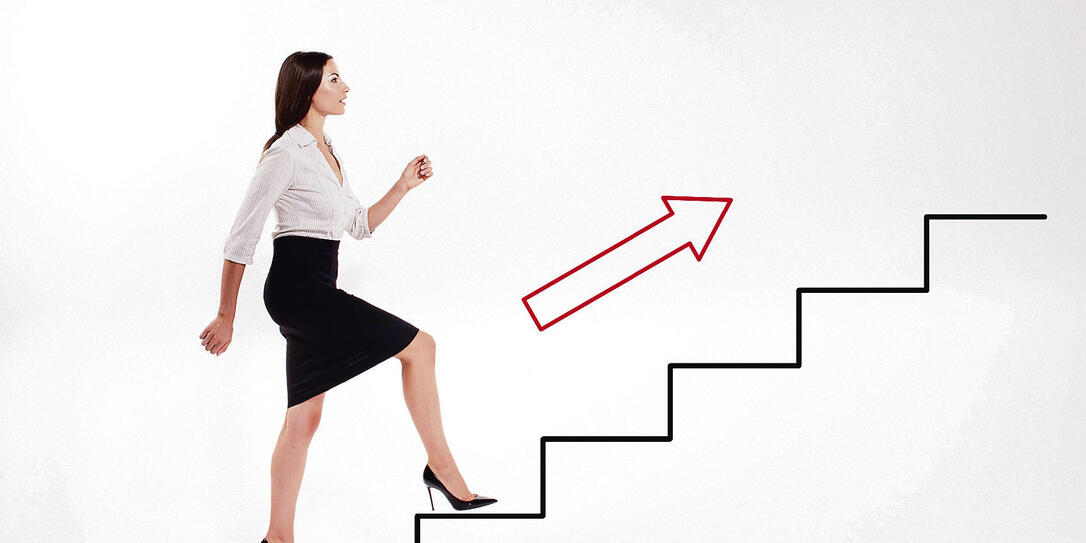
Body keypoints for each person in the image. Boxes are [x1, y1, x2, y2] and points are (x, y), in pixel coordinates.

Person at [197, 51, 496, 543]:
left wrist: (402, 186)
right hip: (298, 288)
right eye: (334, 78)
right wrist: (226, 315)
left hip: (317, 286)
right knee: (421, 348)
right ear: (309, 88)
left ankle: (277, 537)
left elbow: (358, 225)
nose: (346, 87)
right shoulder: (286, 152)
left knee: (304, 419)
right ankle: (443, 470)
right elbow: (240, 238)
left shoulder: (326, 151)